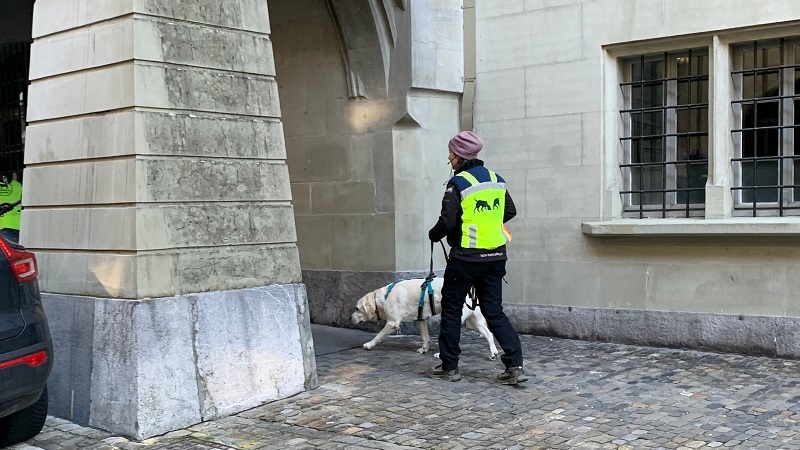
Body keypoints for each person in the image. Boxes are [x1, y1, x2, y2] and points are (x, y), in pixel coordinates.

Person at [426, 131, 527, 385]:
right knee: (494, 312)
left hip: (465, 259)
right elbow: (510, 211)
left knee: (451, 310)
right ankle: (515, 365)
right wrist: (487, 224)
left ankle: (450, 367)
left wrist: (434, 234)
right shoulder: (496, 179)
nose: (449, 158)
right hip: (495, 257)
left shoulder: (458, 183)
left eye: (450, 153)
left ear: (459, 156)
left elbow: (447, 222)